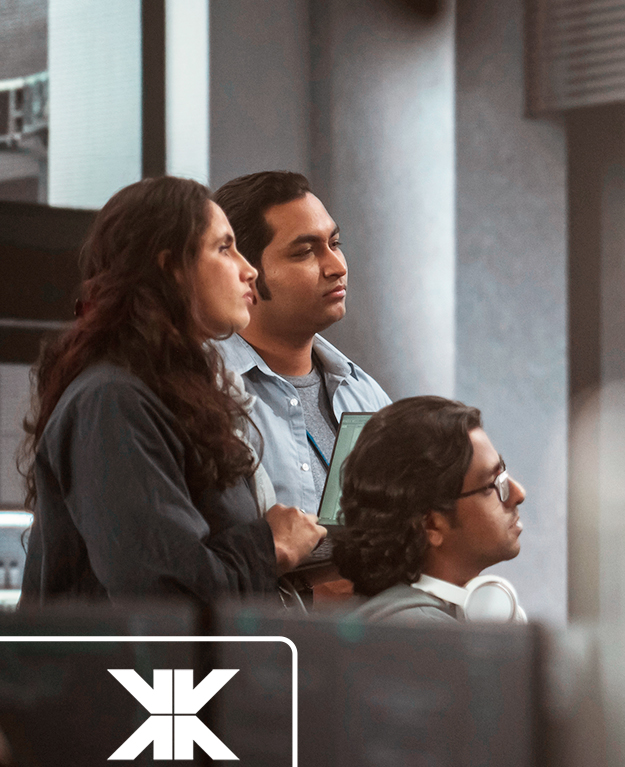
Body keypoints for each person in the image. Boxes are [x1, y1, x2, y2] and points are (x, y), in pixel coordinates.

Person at [21, 176, 325, 602]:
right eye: (224, 248)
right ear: (170, 268)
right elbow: (165, 589)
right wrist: (270, 545)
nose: (248, 269)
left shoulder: (176, 394)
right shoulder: (111, 401)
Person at [210, 172, 391, 517]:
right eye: (306, 252)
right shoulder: (207, 395)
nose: (337, 267)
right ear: (244, 273)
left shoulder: (364, 393)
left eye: (335, 244)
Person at [332, 396, 527, 623]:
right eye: (492, 485)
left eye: (503, 473)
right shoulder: (421, 635)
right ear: (431, 524)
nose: (518, 493)